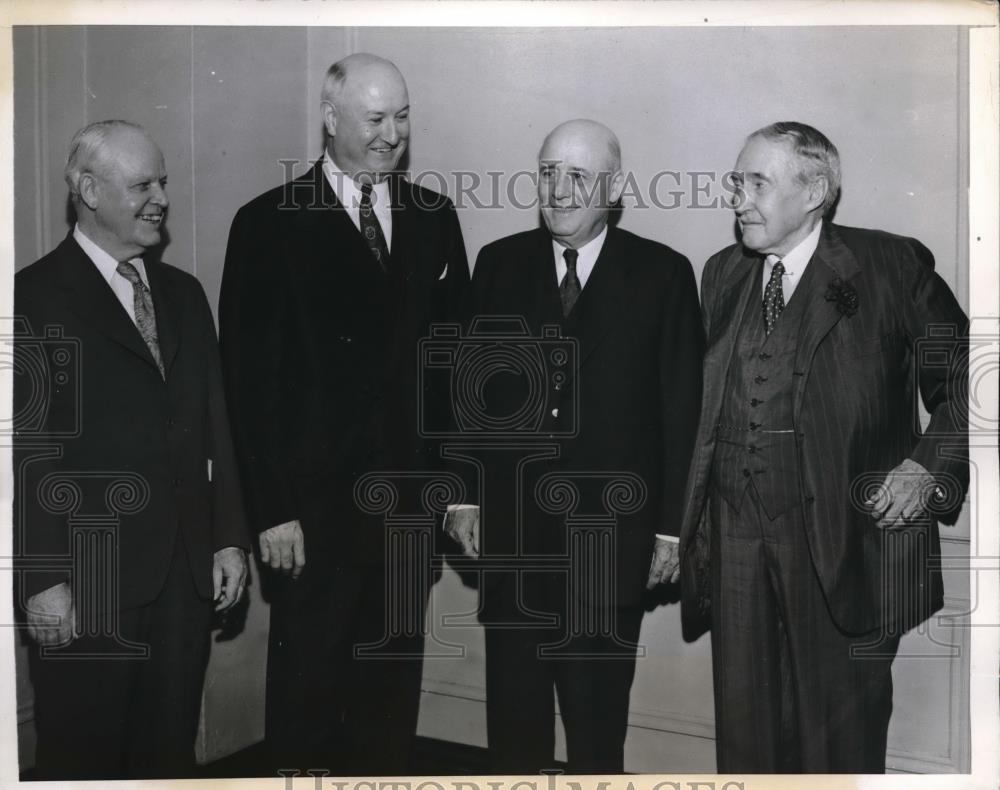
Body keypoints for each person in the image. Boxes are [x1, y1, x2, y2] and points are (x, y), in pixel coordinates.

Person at [677, 121, 969, 773]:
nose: (738, 199)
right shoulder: (722, 273)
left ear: (814, 192)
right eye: (736, 182)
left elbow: (971, 380)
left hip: (846, 545)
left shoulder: (889, 265)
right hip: (736, 544)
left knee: (838, 747)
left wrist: (925, 467)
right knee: (747, 741)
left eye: (757, 183)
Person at [218, 53, 469, 774]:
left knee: (388, 707)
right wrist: (272, 510)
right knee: (305, 707)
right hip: (312, 523)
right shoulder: (266, 224)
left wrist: (456, 491)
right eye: (376, 118)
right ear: (330, 120)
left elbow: (453, 369)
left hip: (408, 516)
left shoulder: (433, 218)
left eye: (403, 117)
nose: (393, 134)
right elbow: (249, 386)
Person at [445, 119, 703, 773]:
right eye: (548, 173)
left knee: (596, 734)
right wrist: (465, 497)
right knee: (514, 732)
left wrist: (671, 531)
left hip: (609, 548)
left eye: (578, 176)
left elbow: (682, 413)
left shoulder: (663, 275)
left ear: (613, 189)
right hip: (513, 546)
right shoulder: (498, 264)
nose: (558, 190)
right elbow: (468, 397)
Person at [13, 120, 249, 780]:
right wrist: (42, 581)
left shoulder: (184, 295)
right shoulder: (30, 298)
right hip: (87, 584)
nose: (161, 199)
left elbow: (216, 425)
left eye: (163, 183)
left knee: (167, 756)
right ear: (89, 191)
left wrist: (229, 539)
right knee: (84, 760)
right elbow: (27, 455)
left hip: (184, 582)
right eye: (142, 185)